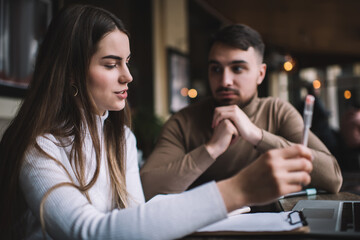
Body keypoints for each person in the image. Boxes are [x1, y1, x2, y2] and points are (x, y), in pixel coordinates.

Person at [0, 5, 315, 240]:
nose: (128, 76)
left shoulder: (119, 136)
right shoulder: (37, 147)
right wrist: (236, 190)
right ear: (70, 72)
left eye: (126, 62)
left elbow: (136, 220)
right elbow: (88, 232)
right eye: (111, 64)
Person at [140, 24, 342, 201]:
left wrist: (257, 135)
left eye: (237, 69)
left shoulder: (277, 111)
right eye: (216, 69)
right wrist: (211, 149)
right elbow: (146, 189)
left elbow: (333, 178)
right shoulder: (184, 121)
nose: (225, 81)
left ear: (260, 74)